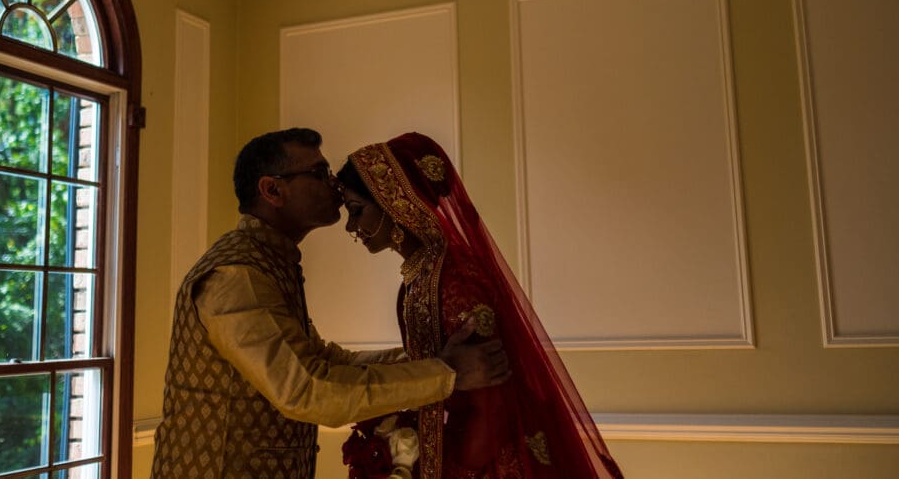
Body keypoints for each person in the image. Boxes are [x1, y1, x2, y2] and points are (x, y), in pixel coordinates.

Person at [150, 128, 510, 479]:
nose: (335, 185)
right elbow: (308, 390)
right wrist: (446, 374)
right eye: (318, 173)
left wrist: (432, 358)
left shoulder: (270, 263)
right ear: (272, 189)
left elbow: (326, 360)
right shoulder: (237, 275)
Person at [337, 132, 623, 478]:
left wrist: (448, 470)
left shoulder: (456, 280)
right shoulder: (417, 281)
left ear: (393, 200)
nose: (352, 226)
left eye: (356, 210)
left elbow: (493, 406)